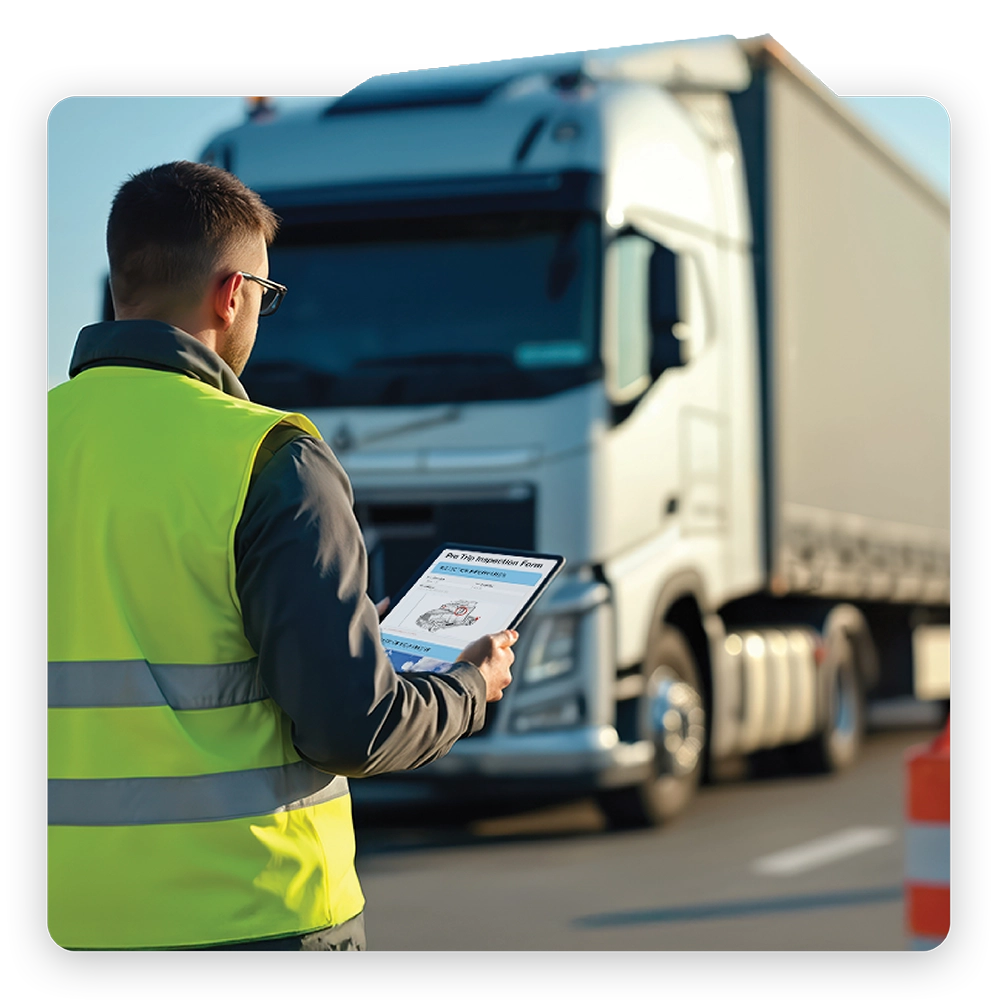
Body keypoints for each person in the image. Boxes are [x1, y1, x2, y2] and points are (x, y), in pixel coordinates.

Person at [47, 160, 518, 952]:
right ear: (231, 294)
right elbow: (353, 727)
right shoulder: (269, 456)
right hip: (250, 917)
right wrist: (471, 685)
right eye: (266, 294)